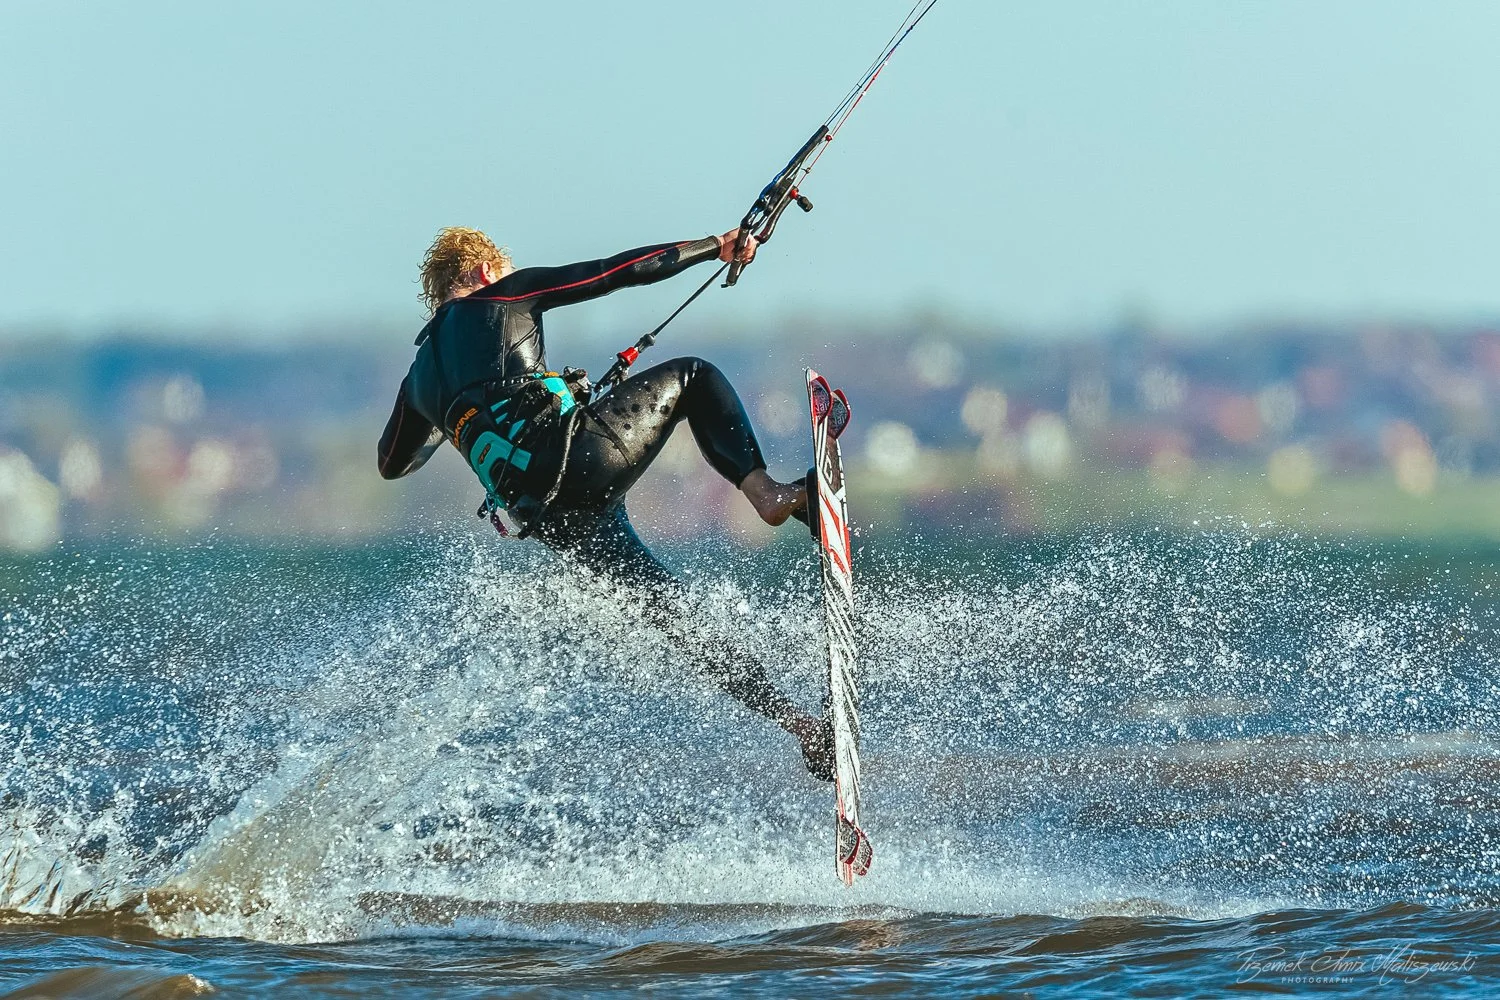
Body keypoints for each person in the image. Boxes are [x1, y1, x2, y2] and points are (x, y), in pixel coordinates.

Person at [378, 225, 833, 778]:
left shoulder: (418, 380)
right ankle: (770, 496)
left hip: (546, 518)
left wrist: (453, 415)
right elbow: (614, 271)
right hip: (577, 461)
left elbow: (392, 463)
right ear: (482, 273)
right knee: (693, 376)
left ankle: (802, 726)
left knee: (674, 615)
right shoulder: (502, 296)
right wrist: (717, 246)